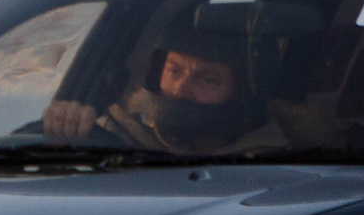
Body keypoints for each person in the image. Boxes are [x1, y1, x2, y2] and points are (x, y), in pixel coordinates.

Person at [42, 24, 267, 152]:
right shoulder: (114, 135)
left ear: (241, 91)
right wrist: (63, 135)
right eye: (174, 71)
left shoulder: (278, 157)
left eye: (208, 80)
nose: (180, 90)